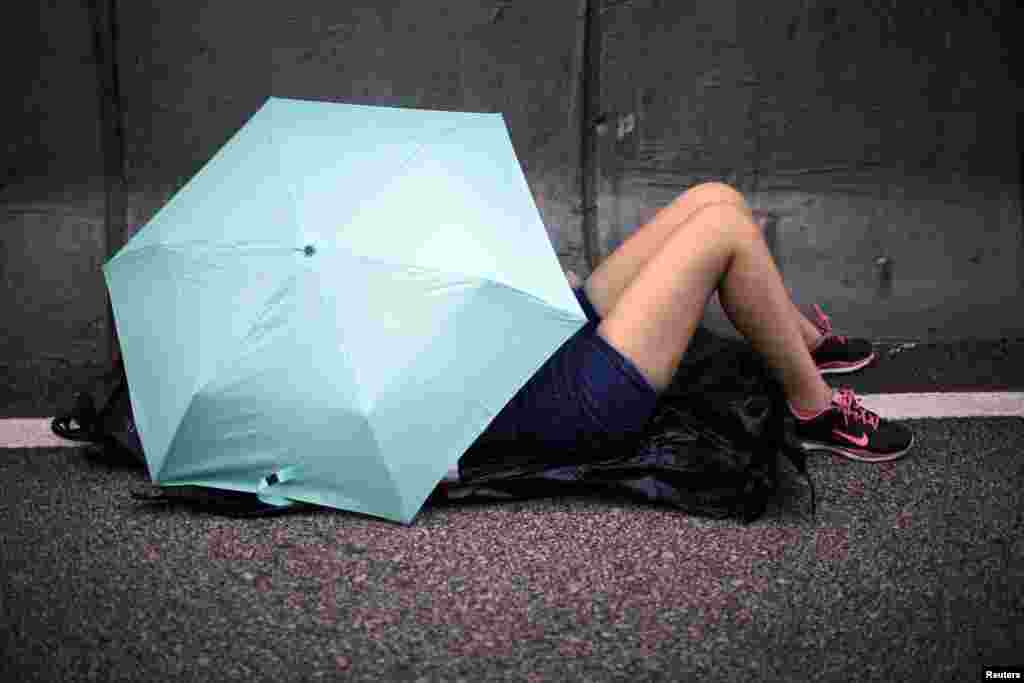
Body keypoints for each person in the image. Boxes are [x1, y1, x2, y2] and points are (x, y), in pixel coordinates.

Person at [457, 182, 913, 477]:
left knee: (714, 198)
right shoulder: (391, 371)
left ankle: (803, 346)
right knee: (723, 230)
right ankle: (815, 410)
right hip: (569, 397)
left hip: (544, 335)